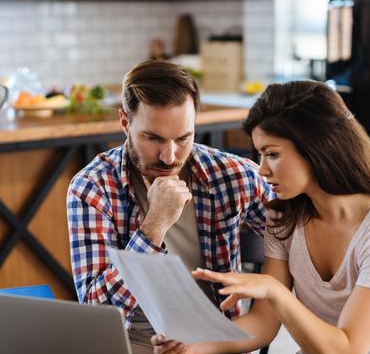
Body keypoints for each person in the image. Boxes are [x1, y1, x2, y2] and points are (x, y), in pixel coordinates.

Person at [151, 80, 370, 354]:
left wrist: (275, 292)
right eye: (260, 155)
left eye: (272, 154)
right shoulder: (285, 216)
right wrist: (194, 344)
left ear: (317, 147)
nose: (262, 170)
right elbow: (263, 324)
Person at [67, 60, 273, 327]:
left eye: (183, 138)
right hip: (132, 346)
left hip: (219, 345)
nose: (169, 157)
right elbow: (98, 315)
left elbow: (302, 239)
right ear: (125, 123)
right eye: (153, 138)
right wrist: (154, 226)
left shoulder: (233, 175)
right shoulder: (92, 188)